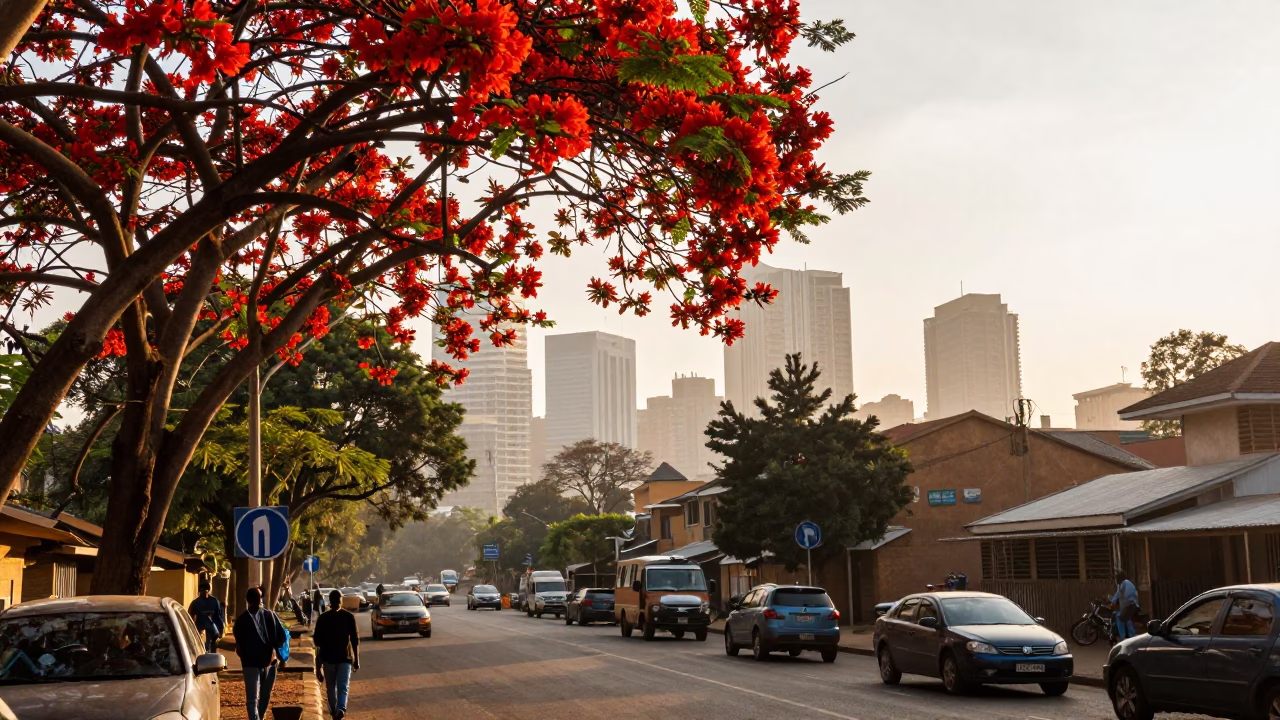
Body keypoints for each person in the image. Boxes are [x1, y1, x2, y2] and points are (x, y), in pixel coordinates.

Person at [234, 587, 287, 720]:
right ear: (256, 600)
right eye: (259, 598)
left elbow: (279, 637)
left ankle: (259, 717)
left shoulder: (267, 615)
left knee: (262, 697)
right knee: (254, 699)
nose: (260, 600)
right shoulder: (243, 621)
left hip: (267, 662)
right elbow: (239, 645)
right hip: (254, 664)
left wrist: (279, 656)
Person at [313, 589, 360, 720]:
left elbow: (317, 642)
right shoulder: (347, 617)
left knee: (335, 686)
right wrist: (357, 659)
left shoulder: (325, 618)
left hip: (336, 659)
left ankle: (338, 710)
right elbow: (355, 640)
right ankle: (338, 710)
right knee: (339, 686)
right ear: (340, 601)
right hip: (337, 658)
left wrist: (318, 666)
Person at [188, 582, 225, 654]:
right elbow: (190, 616)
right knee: (203, 648)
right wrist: (193, 628)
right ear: (200, 591)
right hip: (200, 628)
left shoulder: (214, 601)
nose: (205, 592)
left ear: (209, 591)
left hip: (212, 628)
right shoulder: (195, 603)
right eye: (203, 590)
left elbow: (219, 616)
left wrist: (221, 628)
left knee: (212, 648)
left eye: (206, 590)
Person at [1111, 569, 1139, 640]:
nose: (1116, 580)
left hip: (1131, 605)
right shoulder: (1121, 586)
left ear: (1120, 578)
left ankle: (1126, 637)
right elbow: (1117, 595)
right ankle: (1126, 636)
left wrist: (1117, 602)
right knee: (1118, 615)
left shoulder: (1126, 583)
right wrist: (1112, 601)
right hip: (1126, 606)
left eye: (1117, 578)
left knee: (1121, 617)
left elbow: (1126, 597)